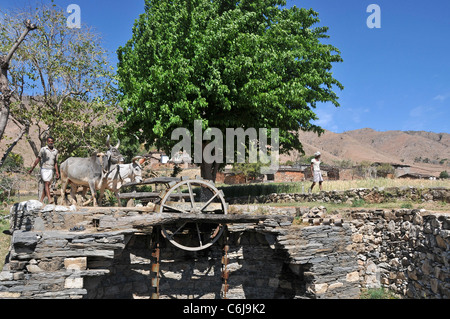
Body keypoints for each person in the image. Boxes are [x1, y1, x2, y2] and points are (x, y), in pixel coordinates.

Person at [29, 136, 59, 204]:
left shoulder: (55, 151)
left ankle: (41, 201)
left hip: (51, 169)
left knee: (47, 186)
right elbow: (38, 159)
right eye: (49, 141)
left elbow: (55, 162)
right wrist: (32, 168)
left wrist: (57, 171)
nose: (50, 142)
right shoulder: (43, 149)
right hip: (44, 168)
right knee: (46, 183)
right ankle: (49, 198)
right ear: (47, 142)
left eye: (52, 141)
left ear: (53, 142)